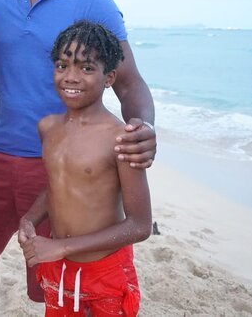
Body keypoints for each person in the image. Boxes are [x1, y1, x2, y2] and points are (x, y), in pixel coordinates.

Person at [0, 0, 156, 302]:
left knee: (52, 286)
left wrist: (143, 128)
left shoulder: (92, 1)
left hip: (60, 164)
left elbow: (128, 82)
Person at [18, 20, 152, 316]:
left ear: (109, 77)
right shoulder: (48, 127)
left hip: (105, 272)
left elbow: (140, 225)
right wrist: (29, 218)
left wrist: (63, 247)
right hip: (59, 269)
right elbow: (56, 186)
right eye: (62, 65)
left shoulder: (121, 137)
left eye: (87, 68)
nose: (71, 77)